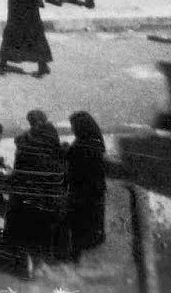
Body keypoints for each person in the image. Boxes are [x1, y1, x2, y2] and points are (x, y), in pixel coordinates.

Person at [7, 109, 67, 280]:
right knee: (43, 228)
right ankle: (39, 266)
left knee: (27, 227)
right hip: (45, 191)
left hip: (26, 190)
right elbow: (56, 161)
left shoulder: (24, 140)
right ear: (43, 120)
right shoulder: (50, 134)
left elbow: (18, 166)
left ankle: (29, 263)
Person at [63, 111, 108, 259]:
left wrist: (65, 151)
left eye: (74, 126)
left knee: (79, 219)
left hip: (83, 188)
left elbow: (75, 160)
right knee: (91, 218)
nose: (73, 129)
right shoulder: (95, 141)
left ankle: (76, 251)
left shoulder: (83, 144)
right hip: (93, 187)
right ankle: (90, 242)